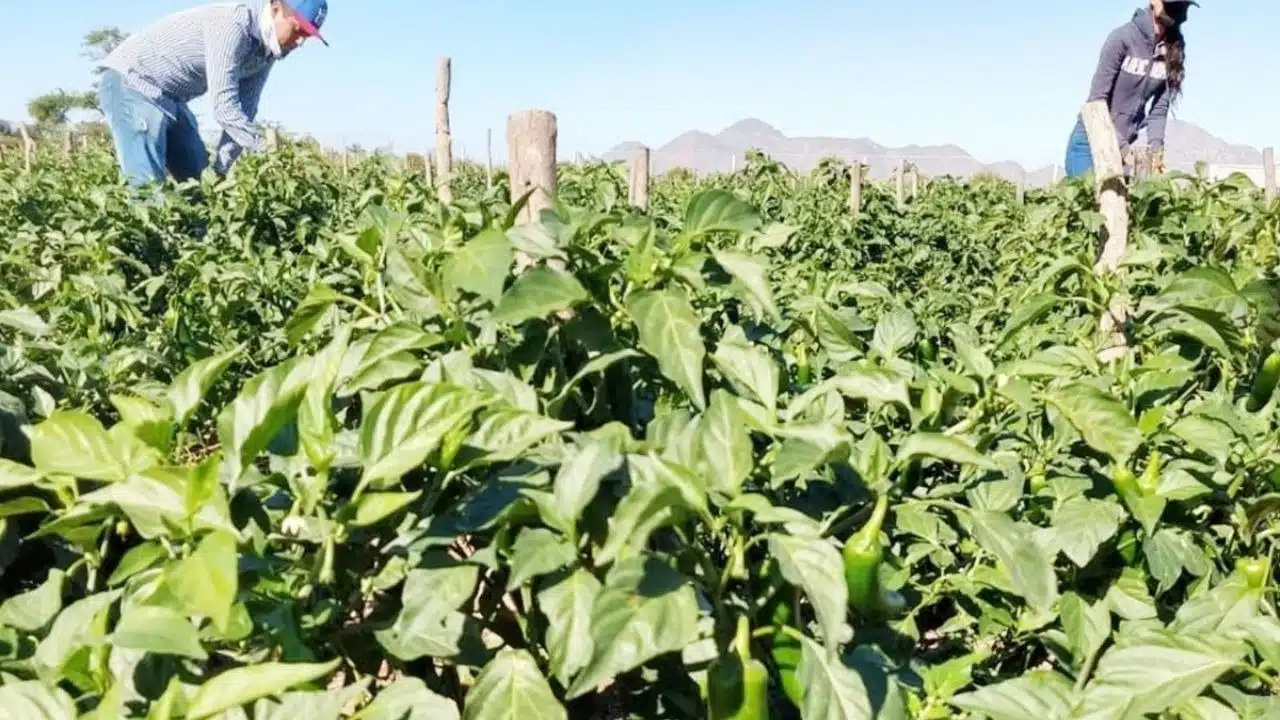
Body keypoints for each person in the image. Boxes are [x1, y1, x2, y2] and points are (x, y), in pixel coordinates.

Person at [97, 1, 329, 188]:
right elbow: (225, 108)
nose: (298, 42)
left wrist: (220, 172)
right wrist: (270, 155)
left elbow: (244, 113)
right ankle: (146, 244)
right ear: (276, 7)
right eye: (297, 29)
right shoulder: (232, 25)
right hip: (132, 82)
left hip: (171, 98)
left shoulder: (266, 53)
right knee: (147, 188)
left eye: (306, 36)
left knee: (201, 184)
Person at [1064, 0, 1194, 178]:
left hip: (1124, 148)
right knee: (1089, 201)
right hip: (1091, 141)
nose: (1175, 11)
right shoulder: (1122, 38)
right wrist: (1124, 150)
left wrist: (1155, 154)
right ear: (1154, 2)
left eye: (1181, 7)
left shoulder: (1172, 50)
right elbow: (1096, 102)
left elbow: (1159, 110)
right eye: (1170, 5)